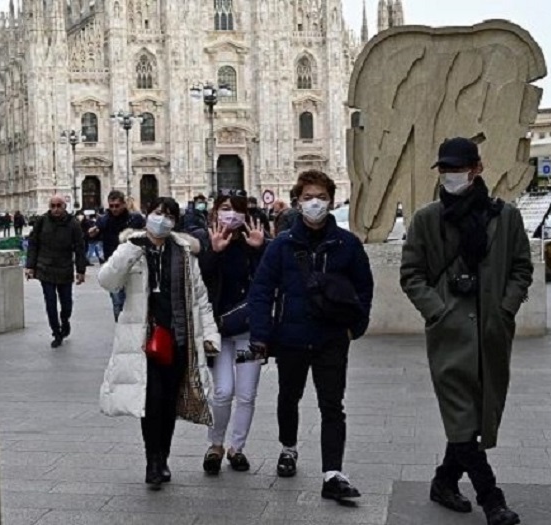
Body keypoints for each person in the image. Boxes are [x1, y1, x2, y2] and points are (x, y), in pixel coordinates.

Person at [400, 137, 532, 525]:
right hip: (450, 334)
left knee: (473, 418)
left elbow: (522, 267)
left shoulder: (504, 217)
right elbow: (412, 275)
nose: (450, 176)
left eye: (456, 169)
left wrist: (506, 308)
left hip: (491, 331)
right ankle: (492, 500)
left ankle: (444, 481)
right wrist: (437, 311)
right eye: (444, 170)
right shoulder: (427, 219)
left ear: (477, 169)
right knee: (461, 416)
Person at [248, 170, 374, 505]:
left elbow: (364, 288)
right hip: (290, 336)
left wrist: (354, 327)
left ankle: (332, 473)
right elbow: (261, 291)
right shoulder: (281, 246)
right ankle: (288, 447)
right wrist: (261, 334)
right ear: (297, 201)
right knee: (289, 397)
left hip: (332, 338)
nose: (314, 203)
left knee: (332, 405)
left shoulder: (346, 244)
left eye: (320, 197)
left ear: (331, 200)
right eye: (307, 197)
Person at [97, 197, 219, 490]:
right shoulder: (132, 248)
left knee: (166, 404)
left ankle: (162, 456)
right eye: (156, 213)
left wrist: (211, 336)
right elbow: (107, 280)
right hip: (144, 340)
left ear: (175, 222)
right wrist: (129, 251)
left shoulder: (185, 253)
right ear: (147, 215)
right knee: (151, 401)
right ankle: (152, 460)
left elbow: (200, 298)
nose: (161, 219)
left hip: (178, 338)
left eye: (167, 216)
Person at [196, 191, 267, 474]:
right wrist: (214, 252)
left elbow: (268, 282)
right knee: (223, 391)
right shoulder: (204, 240)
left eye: (237, 209)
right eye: (225, 208)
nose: (231, 214)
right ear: (215, 212)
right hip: (217, 331)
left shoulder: (256, 240)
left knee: (247, 394)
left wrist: (259, 249)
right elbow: (198, 281)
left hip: (251, 330)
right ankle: (215, 445)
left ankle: (237, 448)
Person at [25, 195, 87, 348]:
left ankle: (64, 320)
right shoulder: (42, 221)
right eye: (52, 206)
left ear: (65, 206)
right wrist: (30, 266)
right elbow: (33, 244)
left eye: (59, 205)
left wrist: (80, 270)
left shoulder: (73, 224)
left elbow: (79, 247)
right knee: (50, 303)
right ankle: (56, 332)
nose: (56, 209)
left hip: (65, 268)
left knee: (67, 304)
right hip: (45, 267)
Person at [88, 191, 146, 320]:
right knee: (117, 301)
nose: (114, 209)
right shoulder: (104, 220)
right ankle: (121, 329)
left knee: (136, 299)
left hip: (134, 265)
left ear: (124, 204)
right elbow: (95, 233)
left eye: (117, 205)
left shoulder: (135, 219)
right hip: (114, 266)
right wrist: (92, 233)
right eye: (111, 206)